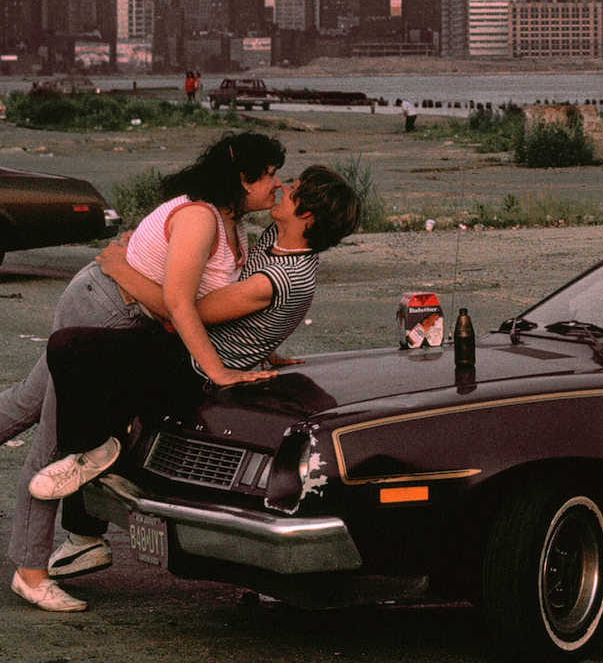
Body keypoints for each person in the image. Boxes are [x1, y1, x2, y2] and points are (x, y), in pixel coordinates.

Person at [0, 132, 288, 613]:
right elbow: (177, 303)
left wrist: (262, 351)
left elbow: (204, 303)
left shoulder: (230, 222)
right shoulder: (200, 219)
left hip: (111, 303)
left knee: (30, 400)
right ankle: (30, 572)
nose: (276, 183)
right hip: (106, 309)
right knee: (54, 438)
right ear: (241, 178)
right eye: (270, 173)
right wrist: (218, 371)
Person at [28, 165, 360, 504]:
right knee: (104, 395)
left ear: (307, 215)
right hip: (195, 345)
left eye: (293, 189)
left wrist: (120, 269)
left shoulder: (280, 278)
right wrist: (264, 342)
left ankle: (92, 454)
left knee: (69, 347)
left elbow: (184, 310)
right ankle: (84, 537)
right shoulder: (277, 239)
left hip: (194, 364)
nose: (282, 187)